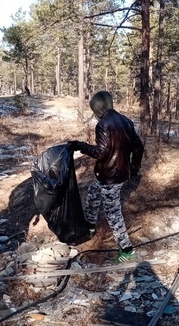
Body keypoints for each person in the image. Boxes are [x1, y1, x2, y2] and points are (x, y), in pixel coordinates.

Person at [67, 91, 144, 262]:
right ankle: (89, 226)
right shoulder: (126, 121)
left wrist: (80, 146)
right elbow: (138, 147)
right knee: (94, 192)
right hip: (118, 174)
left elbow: (101, 153)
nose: (94, 113)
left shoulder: (103, 124)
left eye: (94, 109)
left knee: (113, 214)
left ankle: (127, 250)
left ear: (98, 108)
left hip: (110, 177)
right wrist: (133, 168)